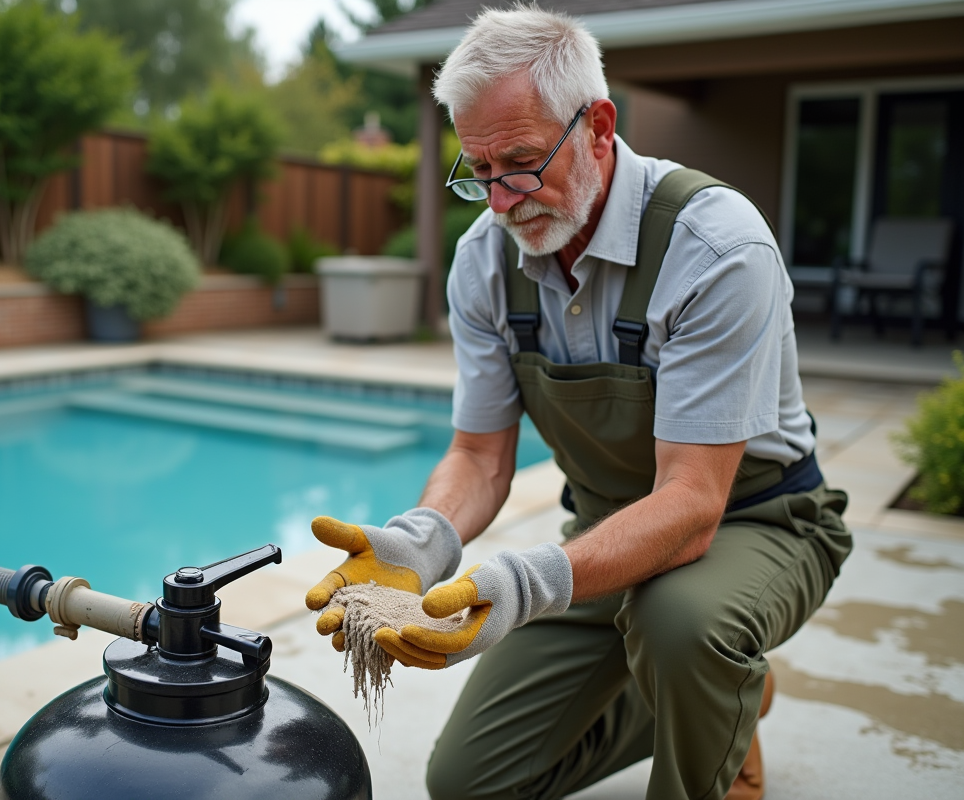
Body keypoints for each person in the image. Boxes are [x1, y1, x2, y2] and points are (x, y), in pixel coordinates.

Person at [304, 7, 852, 800]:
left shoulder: (715, 247)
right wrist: (419, 543)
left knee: (683, 624)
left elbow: (693, 503)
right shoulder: (484, 263)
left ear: (598, 126)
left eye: (521, 162)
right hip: (603, 532)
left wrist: (526, 585)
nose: (499, 200)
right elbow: (480, 457)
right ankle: (723, 693)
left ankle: (709, 702)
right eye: (478, 170)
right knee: (468, 782)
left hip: (755, 522)